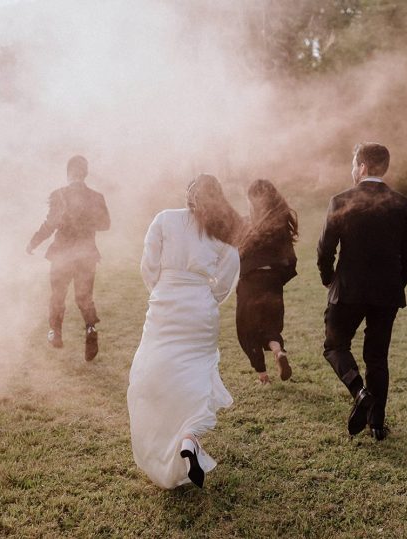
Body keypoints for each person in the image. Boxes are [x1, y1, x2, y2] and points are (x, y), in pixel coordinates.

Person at [127, 174, 241, 489]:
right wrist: (205, 299)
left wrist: (162, 291)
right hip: (200, 312)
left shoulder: (164, 219)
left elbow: (148, 265)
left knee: (157, 372)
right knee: (198, 376)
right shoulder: (222, 234)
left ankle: (173, 439)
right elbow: (229, 275)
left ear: (188, 195)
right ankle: (189, 438)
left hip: (165, 305)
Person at [317, 143, 407, 440]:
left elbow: (325, 249)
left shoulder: (340, 200)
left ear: (362, 167)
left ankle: (358, 391)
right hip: (386, 293)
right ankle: (376, 426)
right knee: (377, 357)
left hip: (348, 289)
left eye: (353, 163)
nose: (352, 169)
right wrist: (394, 284)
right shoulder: (403, 204)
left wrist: (328, 279)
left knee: (334, 346)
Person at [27, 155, 110, 361]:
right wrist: (89, 221)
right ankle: (90, 329)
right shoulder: (97, 197)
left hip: (62, 255)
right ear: (85, 173)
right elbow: (105, 225)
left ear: (68, 173)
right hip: (86, 255)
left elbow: (50, 224)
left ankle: (55, 333)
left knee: (58, 294)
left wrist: (33, 242)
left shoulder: (59, 195)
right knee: (84, 297)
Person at [236, 179, 298, 385]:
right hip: (272, 281)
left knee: (247, 330)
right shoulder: (280, 226)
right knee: (270, 325)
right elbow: (291, 260)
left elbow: (234, 257)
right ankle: (278, 352)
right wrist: (278, 279)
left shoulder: (245, 224)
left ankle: (263, 376)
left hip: (249, 282)